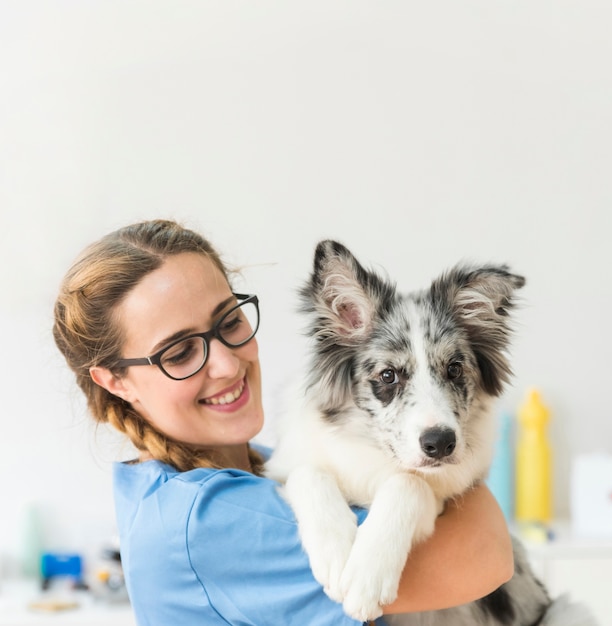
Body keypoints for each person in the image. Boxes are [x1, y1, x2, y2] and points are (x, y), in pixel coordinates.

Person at [53, 219, 513, 625]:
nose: (228, 366)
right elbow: (486, 554)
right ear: (116, 381)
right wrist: (408, 486)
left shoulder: (244, 472)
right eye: (179, 353)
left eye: (229, 322)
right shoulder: (210, 523)